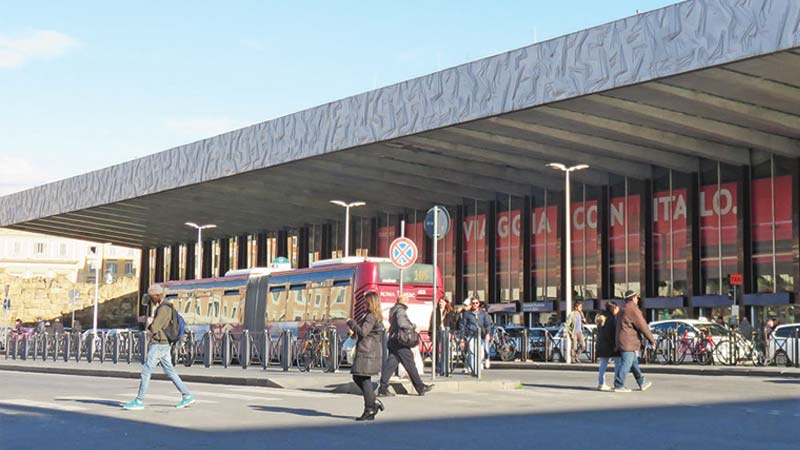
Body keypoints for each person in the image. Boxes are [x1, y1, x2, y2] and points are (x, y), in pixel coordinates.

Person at [123, 284, 194, 410]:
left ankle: (139, 400)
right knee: (170, 371)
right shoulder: (167, 307)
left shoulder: (163, 309)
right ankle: (187, 395)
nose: (151, 300)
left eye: (151, 297)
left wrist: (148, 323)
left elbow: (155, 327)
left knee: (146, 371)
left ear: (157, 295)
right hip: (164, 343)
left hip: (159, 343)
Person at [378, 294, 433, 397]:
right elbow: (402, 323)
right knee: (410, 364)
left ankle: (383, 388)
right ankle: (420, 387)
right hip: (400, 341)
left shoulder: (393, 309)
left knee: (391, 365)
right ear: (404, 301)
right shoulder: (400, 310)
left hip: (393, 339)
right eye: (407, 301)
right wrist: (413, 326)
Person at [346, 292, 385, 421]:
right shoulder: (374, 315)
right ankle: (372, 405)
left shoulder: (371, 316)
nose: (363, 304)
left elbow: (363, 331)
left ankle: (370, 407)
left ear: (370, 302)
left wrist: (351, 323)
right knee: (360, 377)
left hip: (367, 351)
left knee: (362, 377)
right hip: (370, 350)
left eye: (365, 301)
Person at [614, 291, 656, 392]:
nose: (638, 299)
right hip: (628, 341)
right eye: (637, 297)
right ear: (633, 298)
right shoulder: (632, 309)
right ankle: (619, 384)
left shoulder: (623, 308)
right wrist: (652, 340)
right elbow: (642, 326)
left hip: (624, 340)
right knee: (626, 363)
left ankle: (641, 382)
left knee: (633, 363)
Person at [458, 297, 492, 375]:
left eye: (476, 303)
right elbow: (462, 325)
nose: (475, 305)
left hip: (481, 335)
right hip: (471, 335)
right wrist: (462, 337)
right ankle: (474, 371)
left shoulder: (483, 314)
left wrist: (488, 333)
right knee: (472, 353)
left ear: (479, 303)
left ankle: (477, 368)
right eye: (473, 303)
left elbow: (487, 325)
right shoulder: (467, 314)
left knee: (480, 353)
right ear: (471, 304)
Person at [595, 301, 620, 391]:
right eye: (617, 308)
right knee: (618, 362)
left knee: (603, 364)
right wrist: (615, 345)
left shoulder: (601, 317)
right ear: (613, 308)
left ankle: (601, 383)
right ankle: (617, 383)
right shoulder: (611, 318)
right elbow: (611, 333)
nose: (618, 310)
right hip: (609, 344)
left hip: (601, 344)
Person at [429, 297, 458, 375]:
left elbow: (453, 324)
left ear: (446, 303)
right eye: (439, 302)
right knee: (436, 351)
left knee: (445, 351)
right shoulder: (435, 312)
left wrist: (453, 333)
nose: (440, 303)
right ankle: (436, 368)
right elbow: (431, 323)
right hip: (437, 332)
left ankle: (444, 368)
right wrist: (430, 333)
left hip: (446, 332)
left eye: (442, 302)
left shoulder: (450, 312)